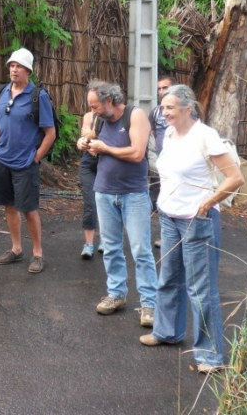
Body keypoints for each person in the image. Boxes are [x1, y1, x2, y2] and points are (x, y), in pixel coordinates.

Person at [139, 84, 244, 375]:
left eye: (170, 107)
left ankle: (210, 355)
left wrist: (208, 203)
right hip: (170, 217)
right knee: (169, 278)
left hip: (197, 220)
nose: (164, 112)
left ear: (188, 107)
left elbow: (235, 178)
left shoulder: (205, 136)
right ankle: (167, 331)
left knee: (200, 288)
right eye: (163, 107)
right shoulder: (170, 134)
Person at [78, 80, 158, 328]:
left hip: (133, 193)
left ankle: (149, 304)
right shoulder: (98, 119)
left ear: (109, 100)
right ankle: (116, 294)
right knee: (111, 247)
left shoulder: (135, 116)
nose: (93, 111)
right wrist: (85, 144)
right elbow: (91, 143)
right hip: (104, 191)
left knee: (141, 250)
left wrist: (106, 148)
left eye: (96, 106)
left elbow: (136, 153)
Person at [0, 47, 55, 274]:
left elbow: (50, 133)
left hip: (25, 163)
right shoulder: (2, 92)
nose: (13, 69)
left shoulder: (38, 96)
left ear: (28, 70)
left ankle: (37, 254)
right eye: (11, 65)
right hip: (1, 160)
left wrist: (35, 158)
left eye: (18, 66)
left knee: (28, 209)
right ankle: (16, 249)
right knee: (9, 206)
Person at [148, 74, 173, 249]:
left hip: (178, 165)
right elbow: (154, 133)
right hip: (161, 163)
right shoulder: (155, 112)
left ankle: (172, 237)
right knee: (158, 199)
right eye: (159, 88)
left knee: (173, 198)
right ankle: (165, 235)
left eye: (165, 87)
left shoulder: (185, 110)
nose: (162, 91)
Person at [76, 111, 101, 258]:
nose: (94, 108)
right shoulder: (88, 116)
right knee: (90, 204)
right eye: (91, 105)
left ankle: (106, 240)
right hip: (88, 163)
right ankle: (89, 244)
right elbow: (85, 135)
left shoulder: (114, 116)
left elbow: (91, 134)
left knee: (107, 203)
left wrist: (90, 135)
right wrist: (82, 141)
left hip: (107, 162)